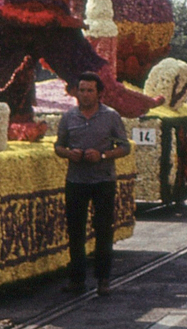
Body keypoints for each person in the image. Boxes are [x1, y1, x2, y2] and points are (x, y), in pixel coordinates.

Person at [53, 71, 132, 296]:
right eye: (82, 90)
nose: (85, 95)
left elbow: (125, 146)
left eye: (90, 90)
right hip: (76, 181)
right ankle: (77, 279)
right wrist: (69, 153)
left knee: (103, 230)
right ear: (76, 92)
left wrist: (104, 155)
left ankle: (103, 279)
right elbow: (58, 146)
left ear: (98, 94)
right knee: (75, 230)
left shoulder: (111, 116)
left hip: (103, 180)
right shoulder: (68, 117)